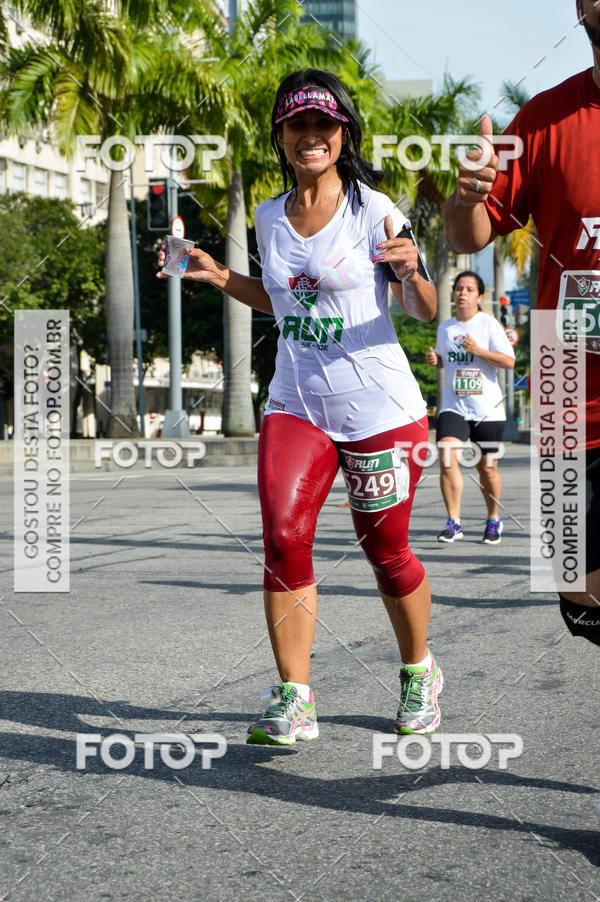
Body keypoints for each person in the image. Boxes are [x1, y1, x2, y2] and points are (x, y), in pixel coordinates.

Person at [159, 68, 444, 741]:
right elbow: (283, 300)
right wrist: (221, 276)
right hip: (297, 401)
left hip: (380, 409)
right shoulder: (266, 216)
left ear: (343, 134)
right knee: (284, 539)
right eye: (298, 125)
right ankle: (294, 695)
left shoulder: (375, 210)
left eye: (324, 124)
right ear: (281, 137)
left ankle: (418, 670)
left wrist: (409, 273)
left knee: (387, 550)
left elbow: (425, 310)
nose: (311, 135)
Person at [443, 0, 600, 645]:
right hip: (567, 379)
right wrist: (465, 196)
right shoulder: (544, 117)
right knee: (578, 593)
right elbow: (467, 236)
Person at [425, 270, 515, 544]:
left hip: (487, 408)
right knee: (447, 458)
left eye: (468, 289)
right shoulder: (446, 327)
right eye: (459, 288)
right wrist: (436, 360)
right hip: (454, 406)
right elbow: (447, 360)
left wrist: (479, 351)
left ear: (479, 296)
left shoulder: (488, 325)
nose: (462, 293)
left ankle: (493, 519)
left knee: (486, 469)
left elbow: (508, 361)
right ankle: (454, 521)